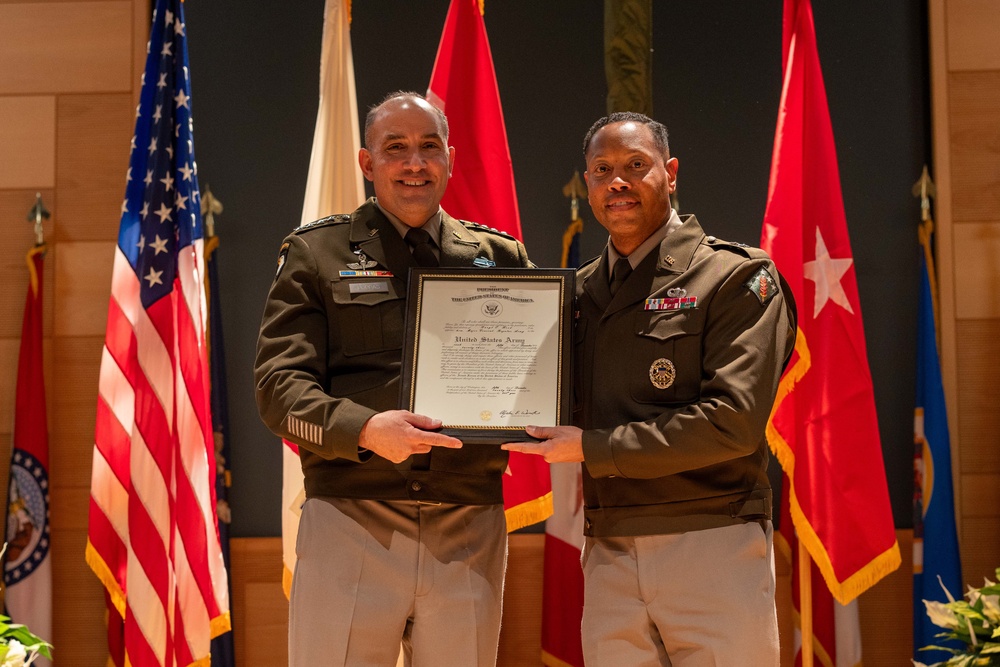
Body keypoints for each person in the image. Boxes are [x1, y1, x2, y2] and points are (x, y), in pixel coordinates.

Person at [503, 112, 796, 666]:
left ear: (671, 173)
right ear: (587, 184)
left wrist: (592, 449)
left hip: (711, 538)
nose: (618, 182)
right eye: (602, 169)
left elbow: (732, 421)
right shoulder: (576, 293)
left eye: (637, 166)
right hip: (610, 547)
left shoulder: (733, 278)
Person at [255, 92, 531, 667]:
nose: (414, 164)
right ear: (366, 162)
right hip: (353, 518)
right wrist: (365, 428)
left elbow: (543, 372)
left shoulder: (501, 260)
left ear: (450, 159)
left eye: (429, 148)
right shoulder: (316, 252)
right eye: (396, 149)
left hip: (467, 521)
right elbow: (278, 388)